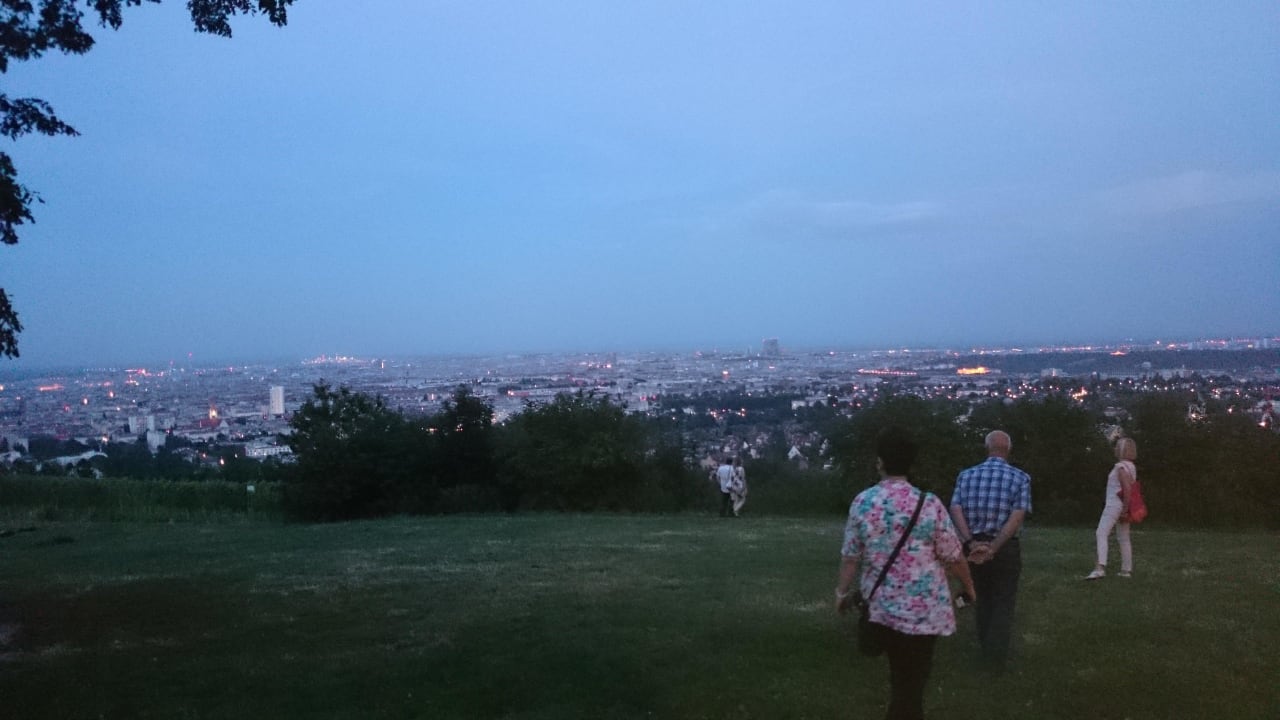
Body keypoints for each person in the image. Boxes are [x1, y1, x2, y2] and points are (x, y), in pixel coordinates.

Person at [837, 426, 976, 720]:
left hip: (883, 609)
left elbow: (851, 557)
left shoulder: (863, 502)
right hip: (924, 611)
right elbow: (953, 556)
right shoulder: (929, 504)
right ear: (911, 465)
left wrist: (841, 593)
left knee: (901, 679)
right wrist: (969, 587)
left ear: (880, 462)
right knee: (911, 684)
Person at [949, 430, 1031, 672]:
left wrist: (971, 542)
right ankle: (995, 660)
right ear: (1008, 450)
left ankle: (986, 647)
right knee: (1003, 600)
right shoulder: (1020, 478)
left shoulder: (966, 476)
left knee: (981, 597)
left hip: (974, 545)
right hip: (1004, 548)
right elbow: (1017, 517)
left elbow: (955, 509)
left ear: (987, 448)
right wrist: (994, 547)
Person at [1085, 437, 1137, 580]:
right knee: (1124, 537)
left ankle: (1099, 568)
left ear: (1122, 450)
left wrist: (1125, 509)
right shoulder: (1131, 467)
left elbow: (1126, 488)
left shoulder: (1120, 467)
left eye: (1117, 447)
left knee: (1101, 533)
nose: (1114, 449)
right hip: (1123, 505)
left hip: (1115, 504)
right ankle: (1126, 570)